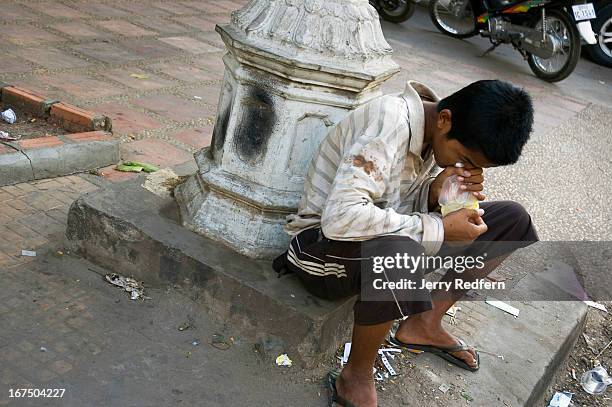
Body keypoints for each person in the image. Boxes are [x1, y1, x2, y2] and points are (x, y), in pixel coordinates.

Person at [274, 80, 539, 407]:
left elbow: (392, 205)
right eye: (466, 159)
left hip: (371, 245)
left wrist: (432, 193)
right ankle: (355, 377)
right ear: (444, 120)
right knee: (401, 253)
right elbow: (341, 219)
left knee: (513, 221)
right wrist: (439, 227)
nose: (467, 170)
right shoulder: (390, 123)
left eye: (477, 168)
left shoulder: (434, 134)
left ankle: (424, 323)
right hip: (319, 250)